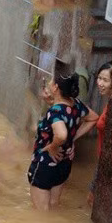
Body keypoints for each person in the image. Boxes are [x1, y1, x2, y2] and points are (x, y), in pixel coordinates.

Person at [27, 69, 98, 211]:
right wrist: (73, 138)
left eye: (52, 81)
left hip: (45, 164)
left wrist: (53, 147)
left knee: (41, 213)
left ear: (56, 88)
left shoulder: (55, 112)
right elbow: (94, 117)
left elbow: (61, 135)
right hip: (64, 164)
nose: (49, 83)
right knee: (53, 205)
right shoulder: (76, 104)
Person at [88, 61, 112, 207]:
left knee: (92, 201)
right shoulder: (110, 103)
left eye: (105, 80)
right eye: (99, 78)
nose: (100, 83)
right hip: (101, 160)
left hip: (106, 163)